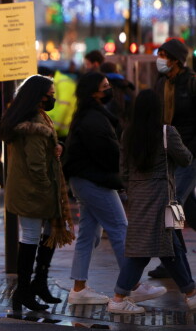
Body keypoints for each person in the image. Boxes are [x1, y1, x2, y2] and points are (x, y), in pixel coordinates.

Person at [62, 72, 162, 305]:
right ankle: (132, 285)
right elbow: (108, 154)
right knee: (120, 228)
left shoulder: (90, 115)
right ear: (94, 92)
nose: (110, 90)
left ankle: (79, 288)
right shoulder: (93, 119)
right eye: (105, 86)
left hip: (86, 179)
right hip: (95, 181)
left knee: (88, 234)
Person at [107, 90, 193, 314]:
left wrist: (135, 189)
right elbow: (185, 158)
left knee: (174, 246)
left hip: (139, 197)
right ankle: (118, 298)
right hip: (166, 199)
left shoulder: (128, 134)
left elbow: (123, 171)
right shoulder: (167, 132)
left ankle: (191, 293)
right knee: (145, 250)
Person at [0, 75, 74, 311]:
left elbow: (45, 150)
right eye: (50, 94)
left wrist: (56, 147)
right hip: (32, 190)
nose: (53, 97)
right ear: (37, 96)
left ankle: (38, 283)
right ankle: (23, 291)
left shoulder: (38, 117)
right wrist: (45, 190)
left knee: (47, 233)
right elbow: (36, 165)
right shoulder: (33, 125)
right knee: (30, 237)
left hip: (33, 189)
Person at [150, 38, 196, 278]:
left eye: (164, 55)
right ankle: (172, 257)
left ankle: (173, 259)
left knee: (172, 204)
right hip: (167, 154)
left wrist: (190, 150)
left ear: (176, 60)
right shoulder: (161, 84)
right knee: (186, 206)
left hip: (188, 155)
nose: (160, 59)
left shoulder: (191, 82)